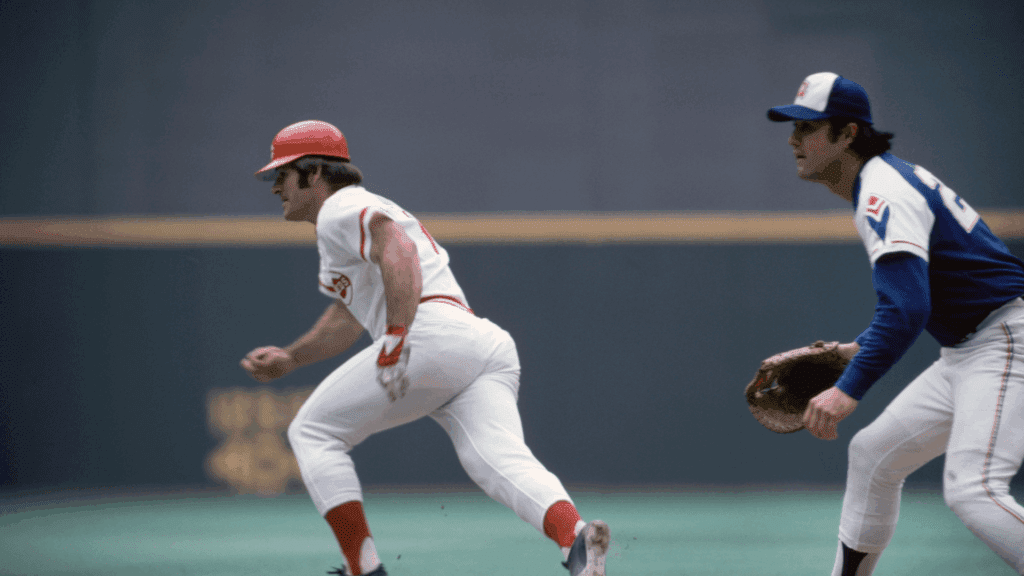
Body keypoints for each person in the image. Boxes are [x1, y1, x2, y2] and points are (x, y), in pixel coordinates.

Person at [239, 120, 610, 576]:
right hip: (479, 344)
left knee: (313, 432)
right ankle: (575, 540)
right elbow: (345, 317)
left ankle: (363, 568)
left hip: (428, 333)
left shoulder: (341, 207)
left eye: (282, 174)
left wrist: (396, 335)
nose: (276, 187)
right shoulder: (354, 213)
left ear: (314, 173)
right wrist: (292, 357)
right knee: (496, 458)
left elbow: (400, 251)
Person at [767, 73, 1024, 575]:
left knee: (974, 489)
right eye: (793, 127)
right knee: (873, 455)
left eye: (809, 127)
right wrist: (849, 352)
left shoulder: (882, 191)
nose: (794, 139)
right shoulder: (885, 181)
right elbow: (916, 304)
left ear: (848, 135)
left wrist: (847, 389)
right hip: (972, 348)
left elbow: (907, 310)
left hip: (1005, 337)